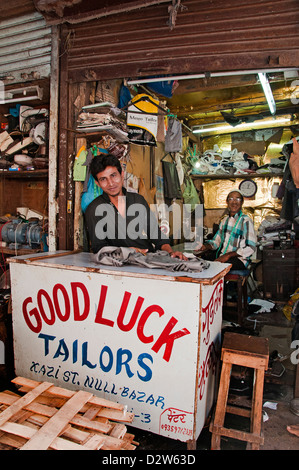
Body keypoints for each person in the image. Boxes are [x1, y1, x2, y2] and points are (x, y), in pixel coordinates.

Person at [85, 154, 187, 260]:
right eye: (103, 179)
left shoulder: (138, 200)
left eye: (113, 175)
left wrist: (171, 252)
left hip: (148, 259)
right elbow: (99, 248)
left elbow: (156, 235)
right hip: (119, 265)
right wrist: (126, 252)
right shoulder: (94, 209)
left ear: (122, 174)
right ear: (97, 183)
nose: (110, 183)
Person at [194, 189, 256, 270]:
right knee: (200, 264)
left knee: (215, 268)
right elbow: (216, 241)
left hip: (239, 259)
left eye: (237, 199)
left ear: (242, 202)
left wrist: (228, 255)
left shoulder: (246, 221)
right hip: (223, 256)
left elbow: (251, 248)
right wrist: (205, 246)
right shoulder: (225, 220)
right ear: (227, 202)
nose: (234, 202)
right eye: (231, 199)